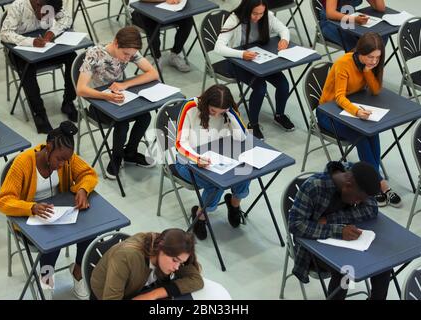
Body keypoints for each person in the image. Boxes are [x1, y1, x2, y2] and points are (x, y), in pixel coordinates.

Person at [0, 121, 98, 300]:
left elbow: (88, 174)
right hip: (29, 219)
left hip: (58, 214)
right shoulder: (23, 162)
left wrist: (82, 190)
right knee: (52, 244)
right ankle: (46, 279)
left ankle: (78, 271)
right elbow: (3, 201)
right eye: (59, 159)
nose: (62, 164)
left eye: (66, 160)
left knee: (88, 230)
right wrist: (31, 207)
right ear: (48, 148)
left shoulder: (67, 158)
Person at [318, 32, 401, 208]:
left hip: (351, 110)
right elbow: (339, 97)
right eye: (370, 57)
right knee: (362, 136)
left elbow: (376, 90)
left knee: (373, 132)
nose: (374, 61)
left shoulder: (369, 65)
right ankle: (379, 184)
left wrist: (368, 72)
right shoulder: (343, 63)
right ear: (360, 52)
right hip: (328, 113)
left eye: (378, 58)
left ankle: (373, 181)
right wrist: (356, 112)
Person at [289, 161, 391, 300]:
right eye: (358, 199)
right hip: (312, 247)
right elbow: (295, 225)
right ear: (348, 186)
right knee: (345, 271)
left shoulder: (354, 173)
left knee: (383, 265)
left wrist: (331, 220)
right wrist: (338, 231)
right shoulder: (314, 187)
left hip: (348, 244)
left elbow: (371, 209)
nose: (357, 203)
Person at [76, 26, 158, 180]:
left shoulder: (130, 51)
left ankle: (130, 153)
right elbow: (80, 90)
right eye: (125, 54)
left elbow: (153, 73)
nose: (128, 59)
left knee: (145, 116)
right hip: (96, 102)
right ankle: (116, 157)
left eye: (131, 55)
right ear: (115, 43)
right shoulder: (95, 54)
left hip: (118, 96)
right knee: (122, 122)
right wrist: (106, 97)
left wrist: (125, 84)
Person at [175, 84, 249, 240]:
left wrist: (231, 113)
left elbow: (242, 137)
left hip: (218, 158)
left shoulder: (227, 112)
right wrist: (196, 159)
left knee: (245, 170)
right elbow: (180, 143)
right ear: (205, 103)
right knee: (215, 183)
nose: (216, 116)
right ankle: (200, 216)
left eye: (221, 112)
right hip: (187, 161)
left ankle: (234, 204)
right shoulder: (190, 107)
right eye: (212, 111)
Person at [214, 0, 293, 139]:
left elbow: (283, 29)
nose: (258, 17)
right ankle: (253, 124)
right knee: (260, 87)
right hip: (237, 62)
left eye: (261, 14)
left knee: (283, 84)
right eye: (254, 13)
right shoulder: (234, 19)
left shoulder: (267, 15)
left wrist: (284, 40)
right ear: (246, 9)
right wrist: (241, 54)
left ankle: (279, 115)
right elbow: (218, 47)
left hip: (260, 59)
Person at [0, 0, 78, 134]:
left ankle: (68, 102)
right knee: (27, 68)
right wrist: (31, 42)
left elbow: (67, 18)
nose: (47, 18)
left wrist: (52, 32)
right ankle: (40, 114)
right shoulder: (18, 6)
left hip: (45, 44)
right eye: (44, 15)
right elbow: (5, 33)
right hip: (20, 49)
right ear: (37, 5)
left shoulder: (51, 4)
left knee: (72, 57)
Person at [90, 228, 203, 300]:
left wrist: (153, 295)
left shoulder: (171, 247)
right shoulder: (126, 257)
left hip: (142, 290)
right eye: (175, 260)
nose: (176, 267)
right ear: (160, 248)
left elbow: (196, 280)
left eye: (181, 263)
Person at [130, 0, 193, 72]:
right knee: (151, 21)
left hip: (164, 8)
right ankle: (156, 58)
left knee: (187, 20)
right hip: (139, 10)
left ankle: (175, 54)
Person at [319, 0, 386, 50]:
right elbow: (330, 13)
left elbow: (380, 8)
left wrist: (353, 19)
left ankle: (372, 65)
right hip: (330, 23)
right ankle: (358, 66)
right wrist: (353, 19)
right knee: (358, 45)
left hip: (352, 20)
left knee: (380, 36)